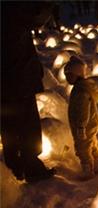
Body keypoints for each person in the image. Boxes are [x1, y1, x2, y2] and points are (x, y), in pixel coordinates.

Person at [1, 1, 55, 183]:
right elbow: (36, 15)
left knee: (8, 122)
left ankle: (14, 166)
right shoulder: (11, 9)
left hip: (8, 79)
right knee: (27, 123)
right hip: (17, 74)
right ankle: (31, 166)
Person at [64, 57, 98, 180]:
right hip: (91, 122)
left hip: (85, 124)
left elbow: (82, 110)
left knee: (82, 147)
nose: (67, 78)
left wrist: (81, 126)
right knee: (91, 142)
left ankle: (88, 170)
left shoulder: (80, 91)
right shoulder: (83, 87)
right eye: (66, 75)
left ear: (78, 75)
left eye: (69, 75)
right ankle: (97, 164)